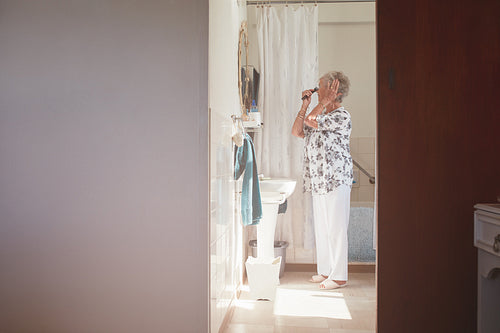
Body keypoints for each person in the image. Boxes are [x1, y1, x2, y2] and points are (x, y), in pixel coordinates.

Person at [291, 71, 353, 290]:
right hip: (319, 181)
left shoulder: (341, 116)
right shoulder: (320, 116)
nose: (316, 91)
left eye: (320, 88)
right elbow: (297, 131)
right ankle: (326, 270)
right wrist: (305, 105)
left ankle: (339, 276)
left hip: (336, 179)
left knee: (336, 228)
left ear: (334, 90)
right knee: (323, 228)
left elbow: (311, 121)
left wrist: (322, 104)